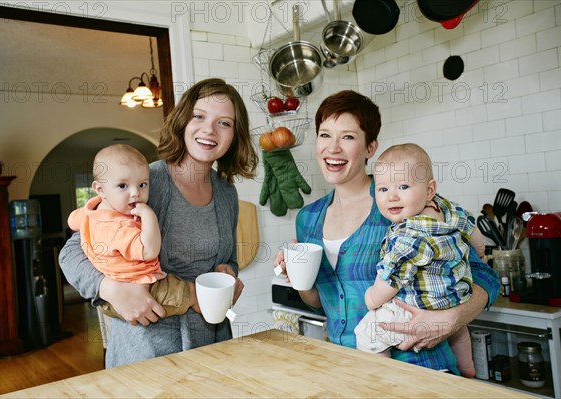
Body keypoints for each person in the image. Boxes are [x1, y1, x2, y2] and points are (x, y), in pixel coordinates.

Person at [274, 90, 500, 375]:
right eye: (324, 135)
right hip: (347, 372)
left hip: (421, 369)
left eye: (348, 137)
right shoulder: (308, 219)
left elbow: (486, 277)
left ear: (370, 148)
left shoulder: (401, 203)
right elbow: (323, 303)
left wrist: (449, 320)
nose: (333, 148)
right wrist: (297, 275)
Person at [59, 78, 258, 368]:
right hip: (147, 352)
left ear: (234, 135)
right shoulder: (147, 184)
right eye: (199, 117)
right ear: (182, 121)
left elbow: (227, 258)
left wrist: (228, 271)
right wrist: (109, 288)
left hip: (213, 349)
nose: (209, 130)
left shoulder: (227, 192)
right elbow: (73, 251)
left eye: (224, 123)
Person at [354, 143, 485, 378]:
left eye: (403, 186)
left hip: (419, 307)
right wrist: (481, 252)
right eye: (383, 189)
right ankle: (467, 368)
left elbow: (392, 278)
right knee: (459, 329)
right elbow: (472, 230)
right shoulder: (447, 209)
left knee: (368, 334)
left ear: (429, 189)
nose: (392, 196)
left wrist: (372, 298)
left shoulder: (408, 236)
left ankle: (384, 379)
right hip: (455, 296)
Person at [67, 144, 193, 319]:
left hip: (111, 296)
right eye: (122, 186)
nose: (135, 193)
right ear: (100, 189)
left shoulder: (89, 212)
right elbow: (149, 251)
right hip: (137, 290)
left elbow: (72, 221)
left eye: (142, 185)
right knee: (188, 292)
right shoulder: (121, 228)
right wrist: (149, 216)